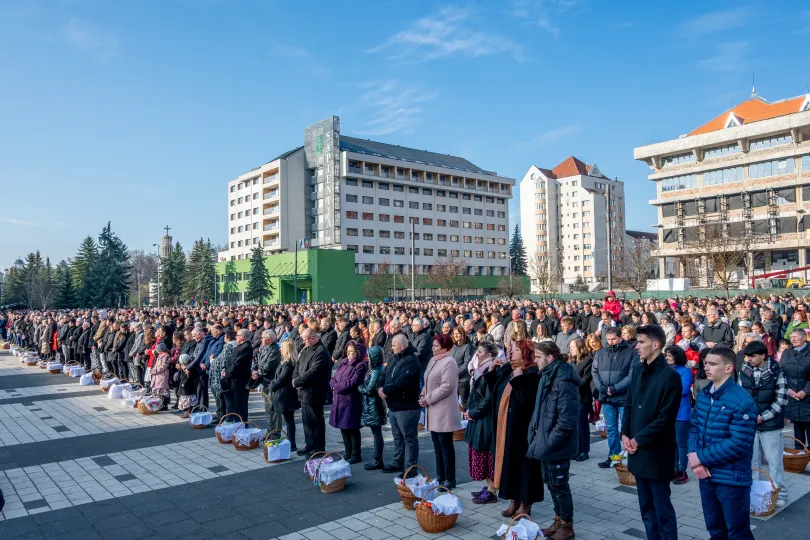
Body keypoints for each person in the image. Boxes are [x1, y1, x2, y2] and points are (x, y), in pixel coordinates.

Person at [689, 346, 757, 540]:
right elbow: (694, 427)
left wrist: (699, 457)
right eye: (705, 363)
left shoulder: (742, 400)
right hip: (707, 476)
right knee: (715, 530)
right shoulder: (704, 394)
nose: (707, 368)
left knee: (737, 532)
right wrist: (695, 458)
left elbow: (738, 443)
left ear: (728, 368)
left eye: (712, 364)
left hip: (731, 479)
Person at [621, 325, 682, 540]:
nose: (636, 346)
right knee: (646, 508)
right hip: (636, 448)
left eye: (641, 342)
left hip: (656, 452)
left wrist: (639, 439)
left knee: (661, 507)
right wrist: (624, 434)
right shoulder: (637, 370)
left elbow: (665, 419)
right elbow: (628, 404)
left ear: (655, 345)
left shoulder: (670, 376)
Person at [527, 341, 579, 540]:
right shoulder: (547, 376)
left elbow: (566, 420)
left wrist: (549, 441)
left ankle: (567, 525)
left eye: (538, 357)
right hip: (547, 440)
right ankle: (558, 519)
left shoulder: (563, 380)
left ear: (550, 358)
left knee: (559, 484)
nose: (535, 360)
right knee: (551, 483)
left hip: (558, 444)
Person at [492, 339, 543, 518]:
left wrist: (519, 377)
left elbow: (526, 400)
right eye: (510, 349)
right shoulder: (510, 369)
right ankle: (514, 499)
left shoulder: (533, 373)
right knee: (512, 465)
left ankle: (526, 503)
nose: (510, 353)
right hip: (510, 427)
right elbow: (495, 389)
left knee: (526, 468)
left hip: (525, 430)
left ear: (526, 353)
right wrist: (493, 370)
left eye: (514, 350)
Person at [739, 341, 789, 506]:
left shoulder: (776, 371)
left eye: (753, 356)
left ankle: (780, 494)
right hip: (751, 423)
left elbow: (781, 398)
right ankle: (756, 493)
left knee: (774, 461)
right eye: (748, 356)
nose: (750, 359)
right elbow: (741, 395)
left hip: (771, 424)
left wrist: (764, 416)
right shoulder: (744, 370)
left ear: (763, 355)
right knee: (752, 461)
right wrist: (750, 415)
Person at [593, 326, 639, 467]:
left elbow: (632, 376)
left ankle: (631, 459)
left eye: (613, 339)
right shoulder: (600, 353)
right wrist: (602, 388)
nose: (611, 342)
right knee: (611, 430)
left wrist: (614, 388)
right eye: (608, 339)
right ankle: (614, 457)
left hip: (624, 398)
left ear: (620, 337)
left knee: (627, 430)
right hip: (607, 399)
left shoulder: (631, 353)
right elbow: (595, 371)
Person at [420, 334, 462, 489]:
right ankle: (440, 475)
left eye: (436, 346)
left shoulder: (449, 362)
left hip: (443, 410)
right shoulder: (433, 360)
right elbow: (427, 380)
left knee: (445, 445)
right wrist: (423, 394)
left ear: (445, 347)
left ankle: (450, 478)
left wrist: (428, 398)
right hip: (433, 408)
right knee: (437, 444)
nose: (433, 348)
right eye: (433, 345)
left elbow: (447, 386)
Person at [379, 334, 422, 477]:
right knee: (397, 437)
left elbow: (403, 381)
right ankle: (398, 461)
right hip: (394, 405)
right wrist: (380, 387)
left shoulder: (412, 361)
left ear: (402, 346)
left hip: (407, 406)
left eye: (394, 345)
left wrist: (385, 390)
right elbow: (384, 375)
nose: (391, 348)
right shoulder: (393, 358)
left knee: (409, 438)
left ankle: (410, 467)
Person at [465, 341, 498, 504]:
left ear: (489, 355)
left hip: (486, 419)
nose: (476, 354)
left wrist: (474, 412)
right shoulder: (480, 369)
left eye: (480, 352)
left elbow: (489, 399)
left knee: (486, 453)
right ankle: (488, 487)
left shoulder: (492, 370)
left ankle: (492, 491)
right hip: (478, 417)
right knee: (481, 452)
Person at [293, 328, 332, 457]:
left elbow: (314, 371)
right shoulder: (306, 349)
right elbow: (298, 366)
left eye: (305, 340)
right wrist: (295, 379)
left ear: (313, 338)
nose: (304, 342)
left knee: (315, 421)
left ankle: (318, 447)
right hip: (304, 392)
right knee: (306, 422)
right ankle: (309, 444)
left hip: (315, 392)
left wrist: (298, 381)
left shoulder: (321, 351)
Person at [329, 340, 369, 464]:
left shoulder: (360, 365)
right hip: (339, 401)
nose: (350, 354)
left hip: (350, 401)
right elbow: (333, 378)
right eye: (348, 351)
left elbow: (352, 382)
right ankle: (348, 452)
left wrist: (337, 387)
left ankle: (356, 455)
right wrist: (333, 385)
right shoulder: (343, 363)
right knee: (343, 428)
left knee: (352, 428)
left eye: (352, 352)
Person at [664, 345, 693, 485]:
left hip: (681, 413)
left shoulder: (685, 372)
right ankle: (674, 468)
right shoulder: (666, 370)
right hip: (668, 412)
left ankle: (683, 470)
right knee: (671, 443)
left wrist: (666, 390)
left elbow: (684, 389)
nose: (667, 358)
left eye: (670, 355)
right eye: (667, 355)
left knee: (681, 443)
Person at [780, 329, 810, 451]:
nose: (793, 339)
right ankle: (799, 455)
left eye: (796, 336)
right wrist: (789, 389)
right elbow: (781, 372)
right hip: (792, 396)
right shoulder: (787, 352)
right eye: (791, 336)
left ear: (804, 337)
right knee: (797, 427)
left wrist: (805, 391)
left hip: (807, 396)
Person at [359, 345, 387, 470]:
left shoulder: (376, 370)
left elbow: (369, 389)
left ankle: (377, 459)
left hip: (374, 405)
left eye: (369, 356)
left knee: (377, 433)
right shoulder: (375, 369)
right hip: (373, 404)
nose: (368, 359)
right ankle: (377, 458)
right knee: (376, 433)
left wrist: (359, 388)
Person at [269, 340, 299, 452]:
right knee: (288, 419)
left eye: (282, 348)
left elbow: (281, 379)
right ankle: (291, 442)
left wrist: (272, 386)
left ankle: (292, 443)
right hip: (283, 393)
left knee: (289, 420)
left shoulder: (289, 363)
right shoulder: (285, 361)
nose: (280, 349)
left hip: (286, 395)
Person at [253, 330, 282, 435]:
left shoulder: (274, 350)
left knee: (274, 409)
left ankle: (276, 432)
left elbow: (268, 367)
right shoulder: (264, 348)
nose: (261, 339)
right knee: (268, 409)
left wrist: (258, 372)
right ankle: (270, 430)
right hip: (265, 382)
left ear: (269, 339)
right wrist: (255, 371)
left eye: (263, 338)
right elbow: (259, 362)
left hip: (271, 383)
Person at [569, 338, 593, 462]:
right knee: (574, 425)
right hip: (572, 397)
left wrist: (571, 384)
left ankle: (584, 450)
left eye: (572, 347)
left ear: (579, 347)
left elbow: (586, 379)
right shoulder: (571, 361)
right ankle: (577, 449)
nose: (570, 349)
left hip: (582, 397)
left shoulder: (588, 360)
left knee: (582, 424)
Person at [222, 329, 253, 422]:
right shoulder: (240, 346)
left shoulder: (246, 347)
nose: (236, 337)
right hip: (234, 379)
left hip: (240, 380)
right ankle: (237, 422)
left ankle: (241, 424)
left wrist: (227, 373)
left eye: (237, 335)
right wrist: (225, 369)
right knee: (235, 404)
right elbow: (230, 360)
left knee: (240, 404)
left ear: (242, 337)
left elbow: (238, 364)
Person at [209, 330, 236, 423]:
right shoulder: (228, 346)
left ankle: (222, 415)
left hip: (220, 375)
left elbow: (224, 360)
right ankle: (220, 414)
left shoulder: (229, 346)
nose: (224, 338)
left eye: (225, 337)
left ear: (228, 337)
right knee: (220, 396)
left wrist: (213, 360)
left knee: (221, 396)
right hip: (219, 374)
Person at [451, 326, 474, 409]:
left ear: (463, 334)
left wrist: (456, 373)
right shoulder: (453, 347)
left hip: (463, 380)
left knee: (464, 402)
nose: (456, 336)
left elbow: (466, 363)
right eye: (454, 334)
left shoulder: (468, 346)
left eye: (458, 334)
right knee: (452, 402)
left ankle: (467, 420)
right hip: (452, 379)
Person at [150, 341, 172, 410]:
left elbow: (163, 366)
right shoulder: (160, 356)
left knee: (163, 390)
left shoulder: (166, 356)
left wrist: (154, 371)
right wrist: (153, 369)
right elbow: (156, 365)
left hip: (162, 376)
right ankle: (159, 404)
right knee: (158, 390)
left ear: (160, 350)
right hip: (158, 376)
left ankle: (164, 405)